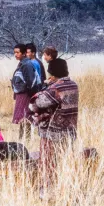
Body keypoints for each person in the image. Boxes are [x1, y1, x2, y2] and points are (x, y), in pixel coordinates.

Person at [29, 58, 78, 189]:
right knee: (64, 160)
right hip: (70, 130)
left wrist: (45, 87)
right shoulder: (73, 85)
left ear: (52, 72)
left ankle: (47, 189)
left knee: (48, 162)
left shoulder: (55, 88)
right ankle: (65, 187)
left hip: (52, 132)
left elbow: (37, 103)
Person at [11, 43, 40, 141]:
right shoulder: (23, 63)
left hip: (25, 95)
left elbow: (31, 82)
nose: (15, 54)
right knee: (22, 119)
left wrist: (30, 96)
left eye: (17, 52)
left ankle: (25, 141)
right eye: (14, 52)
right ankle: (22, 140)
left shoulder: (26, 64)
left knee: (25, 119)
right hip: (22, 94)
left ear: (23, 53)